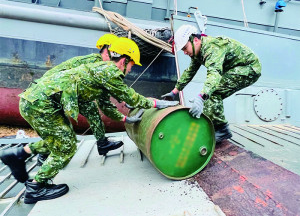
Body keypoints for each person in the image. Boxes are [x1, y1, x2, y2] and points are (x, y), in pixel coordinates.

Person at [0, 37, 178, 204]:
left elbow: (105, 104)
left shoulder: (102, 71)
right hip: (41, 104)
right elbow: (131, 98)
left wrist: (125, 118)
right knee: (67, 147)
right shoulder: (110, 72)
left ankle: (18, 155)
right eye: (132, 65)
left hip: (38, 101)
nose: (132, 69)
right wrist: (155, 102)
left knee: (63, 140)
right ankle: (35, 187)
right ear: (124, 61)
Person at [162, 24, 261, 143]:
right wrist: (174, 92)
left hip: (249, 68)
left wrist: (201, 96)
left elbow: (214, 73)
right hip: (234, 69)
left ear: (196, 40)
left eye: (185, 48)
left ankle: (222, 130)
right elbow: (190, 72)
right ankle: (214, 128)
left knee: (211, 93)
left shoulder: (212, 48)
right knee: (209, 94)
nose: (185, 52)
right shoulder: (197, 52)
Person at [35, 34, 123, 166]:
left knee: (91, 109)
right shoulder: (94, 62)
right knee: (61, 128)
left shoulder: (100, 63)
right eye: (115, 53)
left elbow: (101, 93)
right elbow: (102, 97)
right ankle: (42, 154)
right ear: (107, 50)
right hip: (54, 91)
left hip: (65, 91)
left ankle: (102, 143)